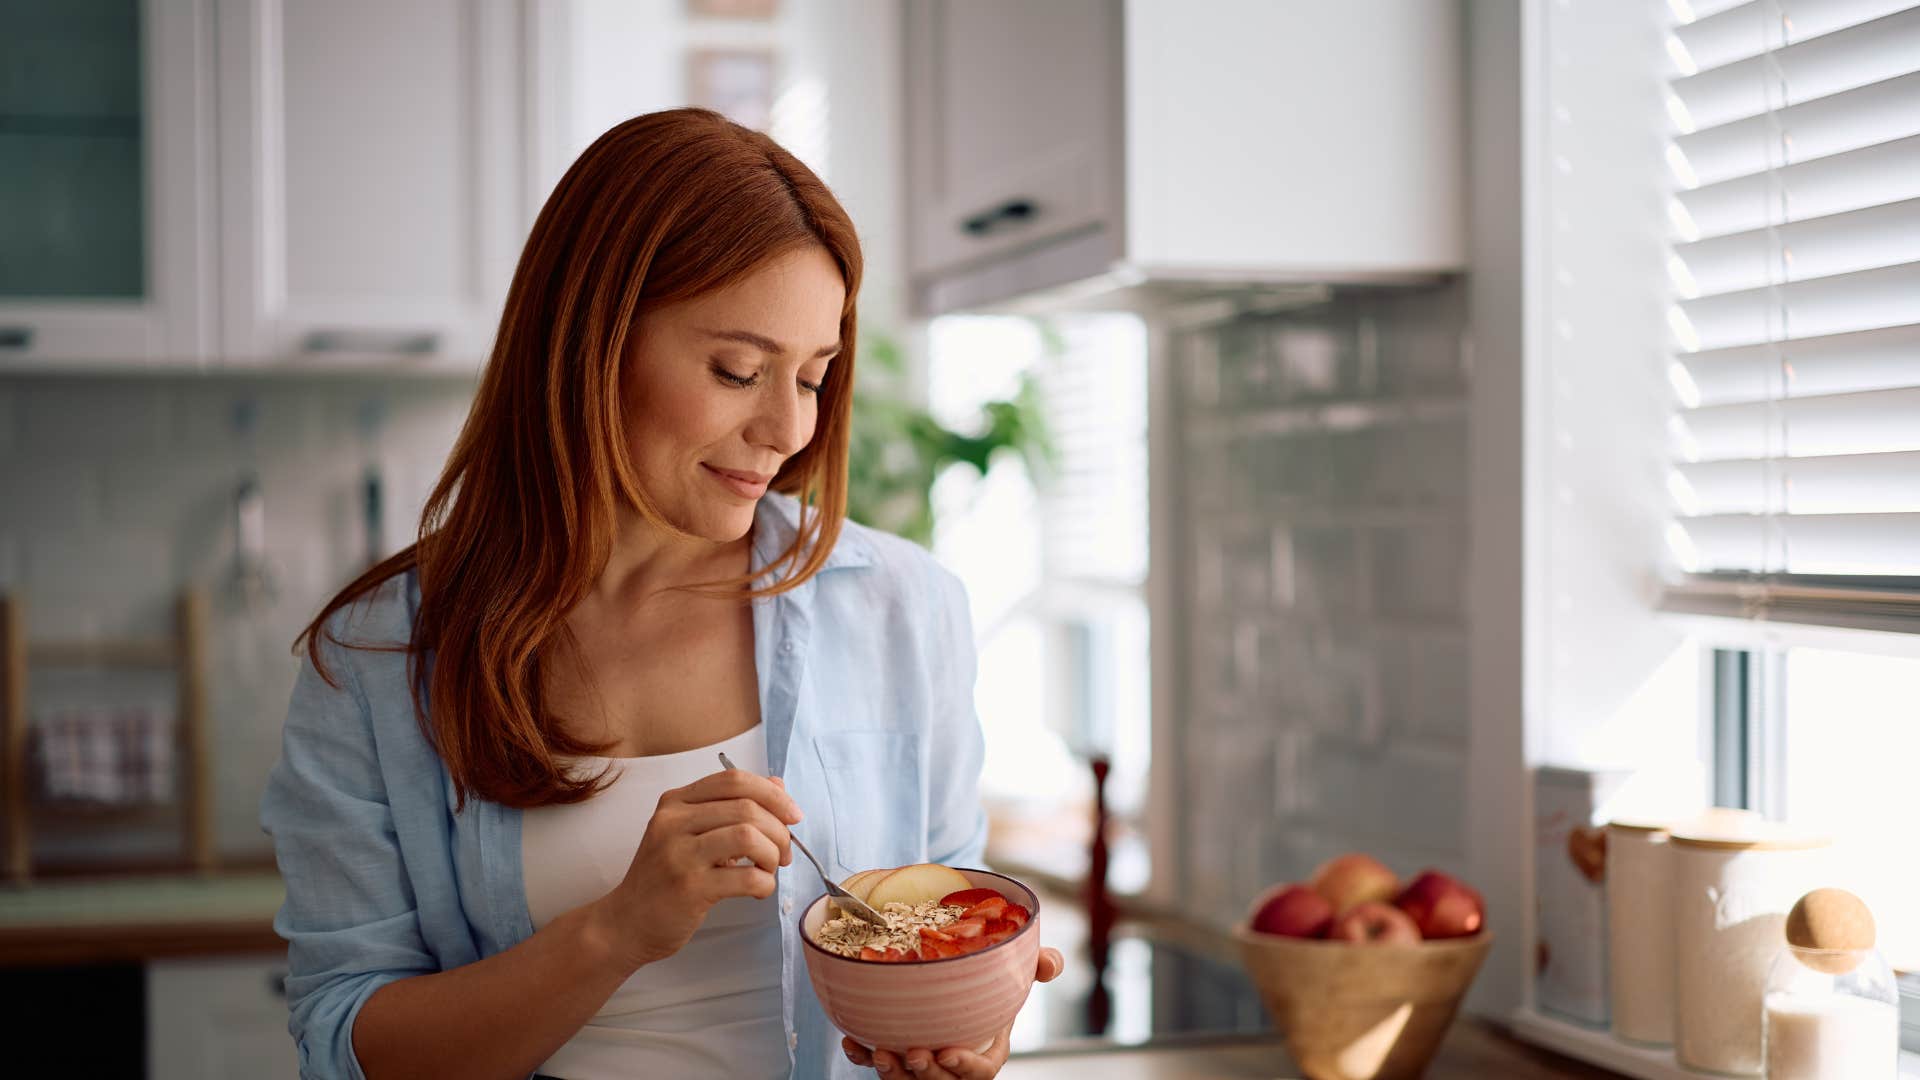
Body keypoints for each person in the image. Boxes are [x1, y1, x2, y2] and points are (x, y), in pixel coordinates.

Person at [260, 107, 1063, 1080]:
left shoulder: (900, 607)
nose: (786, 428)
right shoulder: (382, 660)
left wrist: (971, 1025)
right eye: (738, 370)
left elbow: (947, 921)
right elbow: (347, 1041)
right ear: (591, 338)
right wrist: (617, 930)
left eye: (813, 378)